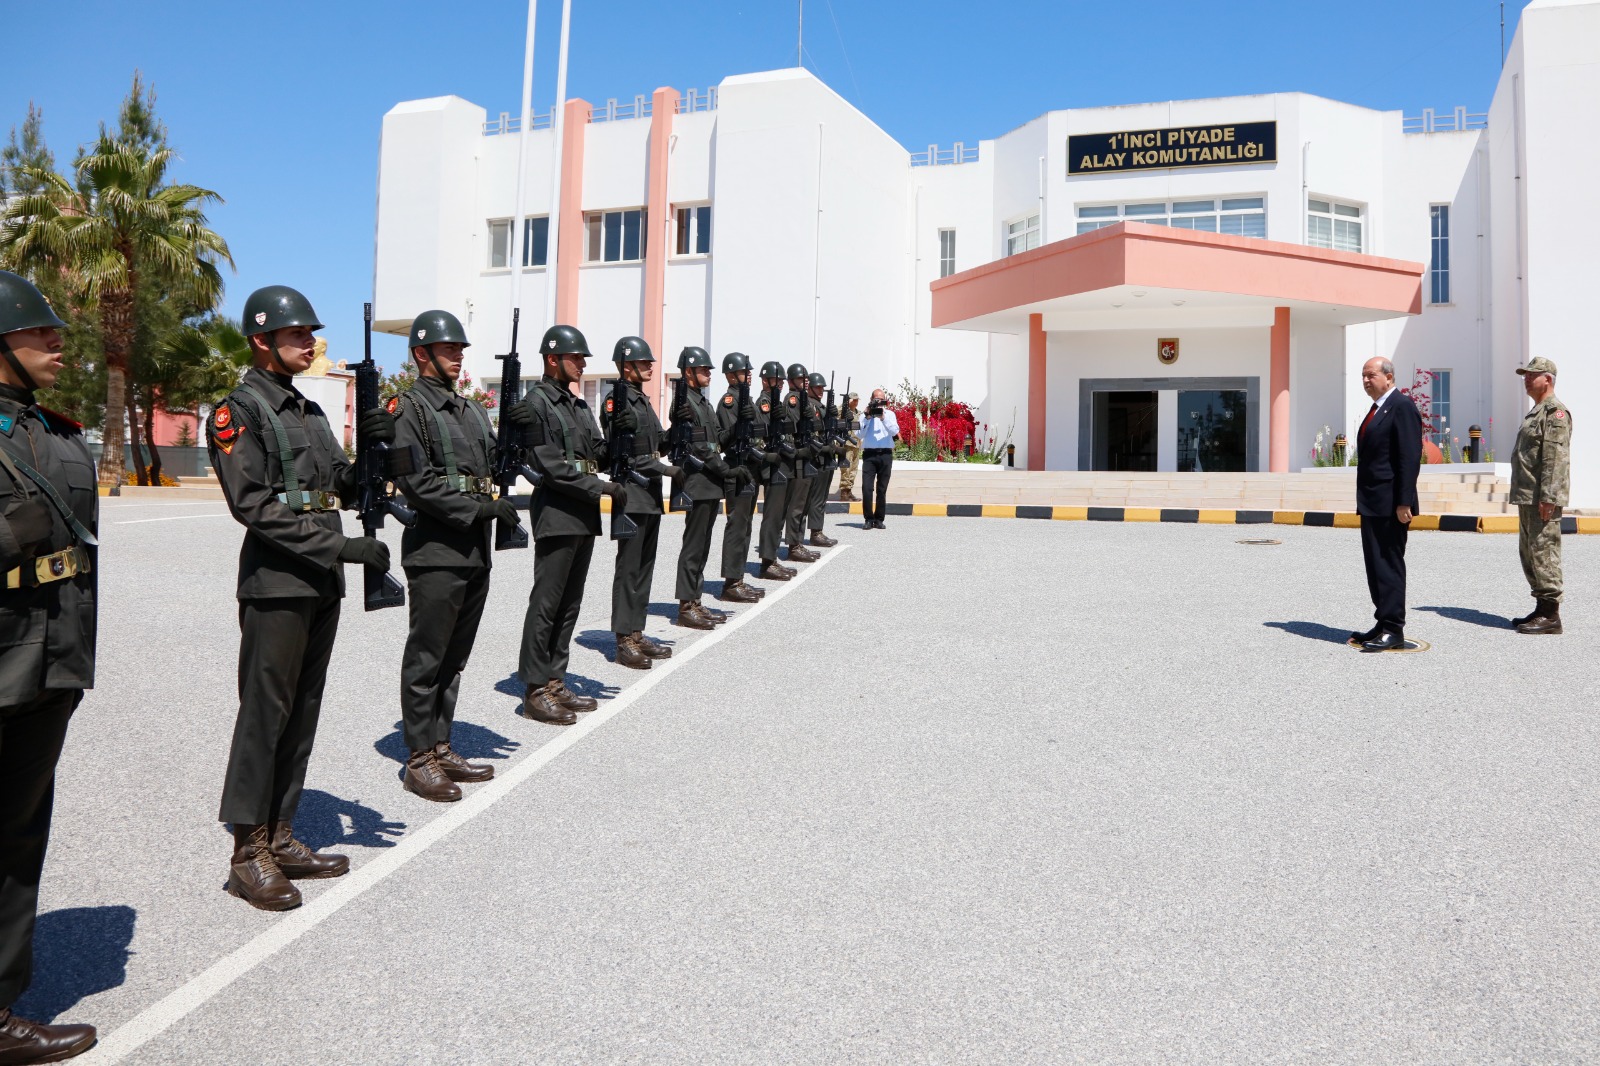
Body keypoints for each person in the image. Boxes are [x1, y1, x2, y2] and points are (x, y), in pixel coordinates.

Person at [209, 285, 398, 910]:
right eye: (297, 334)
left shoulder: (309, 410)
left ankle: (281, 835)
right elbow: (253, 505)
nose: (310, 342)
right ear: (262, 340)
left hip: (319, 581)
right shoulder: (238, 411)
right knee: (266, 714)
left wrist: (376, 450)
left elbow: (337, 482)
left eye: (311, 333)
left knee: (302, 711)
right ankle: (247, 854)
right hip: (277, 582)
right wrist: (339, 547)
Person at [0, 271, 99, 1064]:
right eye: (39, 330)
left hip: (50, 660)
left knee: (18, 836)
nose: (57, 341)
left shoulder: (59, 435)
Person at [388, 310, 512, 802]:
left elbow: (494, 463)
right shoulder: (407, 409)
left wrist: (519, 437)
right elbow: (415, 483)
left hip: (474, 548)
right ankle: (419, 758)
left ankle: (441, 745)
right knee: (428, 656)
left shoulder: (471, 410)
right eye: (448, 348)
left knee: (454, 657)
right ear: (422, 353)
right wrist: (477, 509)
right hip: (436, 549)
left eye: (460, 349)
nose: (458, 356)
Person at [514, 325, 622, 723]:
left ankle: (555, 680)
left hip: (583, 513)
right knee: (547, 603)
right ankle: (534, 689)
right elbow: (550, 466)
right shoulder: (537, 403)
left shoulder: (578, 405)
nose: (582, 364)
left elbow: (597, 455)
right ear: (552, 359)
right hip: (558, 512)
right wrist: (601, 488)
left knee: (569, 604)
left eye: (582, 358)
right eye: (575, 357)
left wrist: (620, 431)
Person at [599, 337, 681, 670]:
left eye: (650, 362)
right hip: (631, 494)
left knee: (645, 567)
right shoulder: (616, 401)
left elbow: (658, 444)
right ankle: (623, 640)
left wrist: (678, 428)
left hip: (649, 494)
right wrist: (665, 469)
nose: (650, 367)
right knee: (629, 568)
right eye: (644, 362)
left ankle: (636, 630)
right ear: (626, 364)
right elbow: (624, 453)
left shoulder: (643, 401)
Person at [1349, 356, 1422, 652]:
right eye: (1363, 376)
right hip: (1372, 502)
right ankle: (1382, 622)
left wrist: (1404, 501)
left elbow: (1409, 457)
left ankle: (1394, 629)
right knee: (1375, 566)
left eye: (1371, 375)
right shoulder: (1377, 408)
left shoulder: (1402, 406)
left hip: (1391, 503)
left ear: (1389, 377)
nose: (1366, 381)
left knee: (1389, 564)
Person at [668, 347, 739, 628]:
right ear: (689, 372)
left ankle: (695, 600)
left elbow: (717, 439)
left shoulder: (704, 403)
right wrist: (725, 470)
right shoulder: (684, 403)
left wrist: (739, 426)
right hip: (697, 480)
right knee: (694, 545)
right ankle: (686, 606)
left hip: (710, 482)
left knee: (703, 545)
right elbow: (698, 446)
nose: (709, 373)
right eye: (704, 369)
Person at [1508, 356, 1571, 635]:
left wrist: (1549, 496)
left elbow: (1555, 459)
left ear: (1548, 379)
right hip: (1527, 495)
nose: (1527, 379)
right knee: (1531, 552)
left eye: (1532, 375)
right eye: (1525, 375)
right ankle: (1541, 607)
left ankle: (1551, 615)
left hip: (1541, 498)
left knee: (1544, 551)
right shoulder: (1536, 412)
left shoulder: (1555, 413)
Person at [715, 353, 766, 603]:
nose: (750, 375)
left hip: (751, 467)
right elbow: (727, 437)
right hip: (738, 466)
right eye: (745, 372)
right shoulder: (729, 401)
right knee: (737, 526)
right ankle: (730, 583)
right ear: (731, 375)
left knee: (745, 525)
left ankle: (738, 578)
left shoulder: (748, 400)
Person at [755, 361, 798, 584]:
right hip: (772, 464)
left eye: (782, 380)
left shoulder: (776, 403)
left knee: (779, 514)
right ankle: (767, 563)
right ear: (765, 381)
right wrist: (776, 418)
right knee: (772, 515)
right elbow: (766, 432)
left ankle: (771, 558)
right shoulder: (764, 403)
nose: (780, 383)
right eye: (776, 380)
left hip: (783, 462)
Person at [781, 363, 819, 563]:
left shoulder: (804, 399)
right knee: (797, 504)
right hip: (797, 455)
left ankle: (798, 542)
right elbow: (796, 426)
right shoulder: (793, 400)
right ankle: (793, 546)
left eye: (806, 378)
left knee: (803, 503)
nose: (805, 381)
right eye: (800, 378)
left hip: (806, 454)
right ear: (791, 381)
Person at [804, 372, 838, 548]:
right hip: (816, 456)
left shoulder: (820, 405)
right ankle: (815, 532)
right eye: (817, 387)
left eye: (822, 388)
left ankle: (818, 530)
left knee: (822, 495)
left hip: (826, 455)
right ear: (809, 388)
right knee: (816, 497)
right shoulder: (810, 405)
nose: (820, 391)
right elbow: (814, 429)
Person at [859, 388, 900, 530]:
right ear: (871, 400)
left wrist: (883, 418)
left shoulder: (890, 414)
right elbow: (859, 434)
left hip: (885, 454)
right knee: (867, 488)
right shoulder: (865, 415)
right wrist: (867, 418)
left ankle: (879, 519)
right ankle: (868, 519)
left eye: (881, 399)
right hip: (869, 455)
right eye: (876, 399)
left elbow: (894, 431)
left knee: (882, 489)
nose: (879, 402)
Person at [837, 392, 862, 502]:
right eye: (854, 400)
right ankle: (844, 492)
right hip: (846, 443)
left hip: (856, 443)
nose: (856, 402)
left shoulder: (858, 412)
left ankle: (849, 490)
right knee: (846, 469)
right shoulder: (842, 410)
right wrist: (844, 407)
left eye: (857, 400)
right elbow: (836, 419)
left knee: (853, 469)